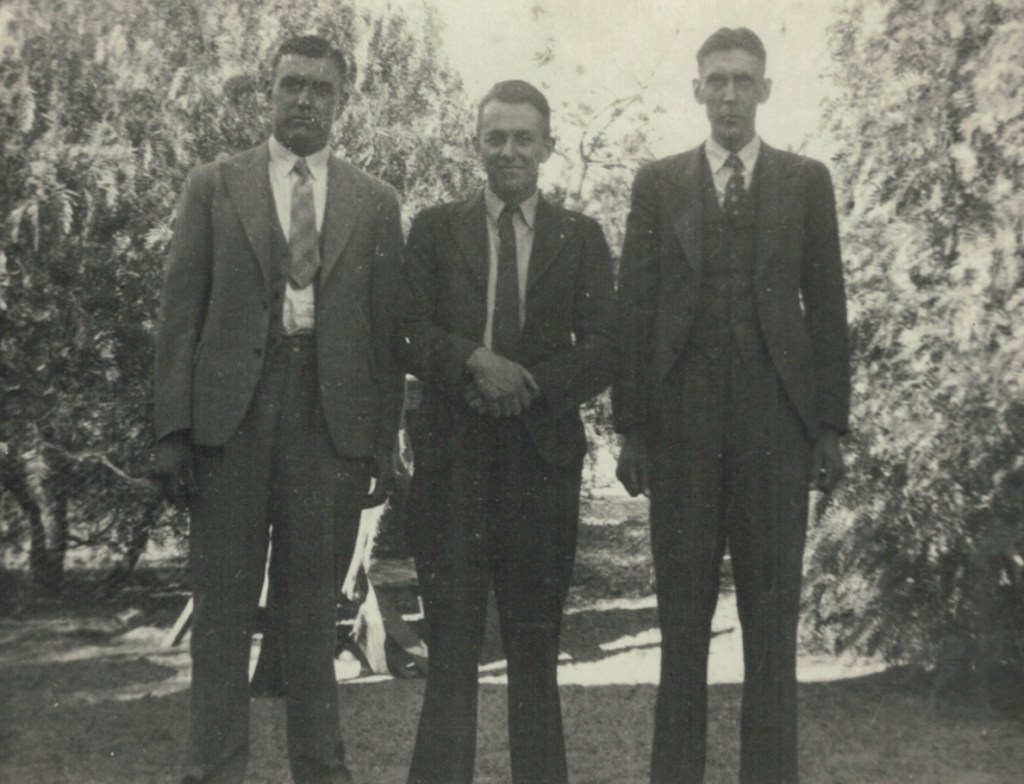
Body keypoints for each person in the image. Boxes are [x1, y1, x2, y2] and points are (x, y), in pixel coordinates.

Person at [152, 35, 404, 784]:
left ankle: (321, 771)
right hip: (229, 422)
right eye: (291, 84)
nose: (304, 99)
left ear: (342, 101)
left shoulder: (375, 201)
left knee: (312, 617)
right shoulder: (214, 185)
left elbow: (386, 332)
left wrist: (383, 441)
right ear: (269, 92)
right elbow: (179, 315)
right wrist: (171, 431)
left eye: (320, 88)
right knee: (221, 612)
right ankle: (213, 771)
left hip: (329, 424)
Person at [614, 27, 850, 784]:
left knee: (772, 630)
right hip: (681, 433)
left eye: (744, 80)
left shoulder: (805, 181)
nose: (729, 95)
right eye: (716, 80)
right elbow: (634, 310)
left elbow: (829, 307)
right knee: (681, 628)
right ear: (696, 90)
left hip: (776, 431)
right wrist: (632, 428)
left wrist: (829, 427)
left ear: (765, 90)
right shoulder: (658, 182)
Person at [399, 79, 616, 784]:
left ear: (548, 146)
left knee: (535, 659)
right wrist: (474, 361)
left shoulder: (580, 237)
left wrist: (527, 385)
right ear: (476, 145)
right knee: (450, 658)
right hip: (451, 464)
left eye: (525, 137)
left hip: (540, 465)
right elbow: (405, 327)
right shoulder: (434, 229)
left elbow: (606, 346)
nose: (510, 150)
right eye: (496, 137)